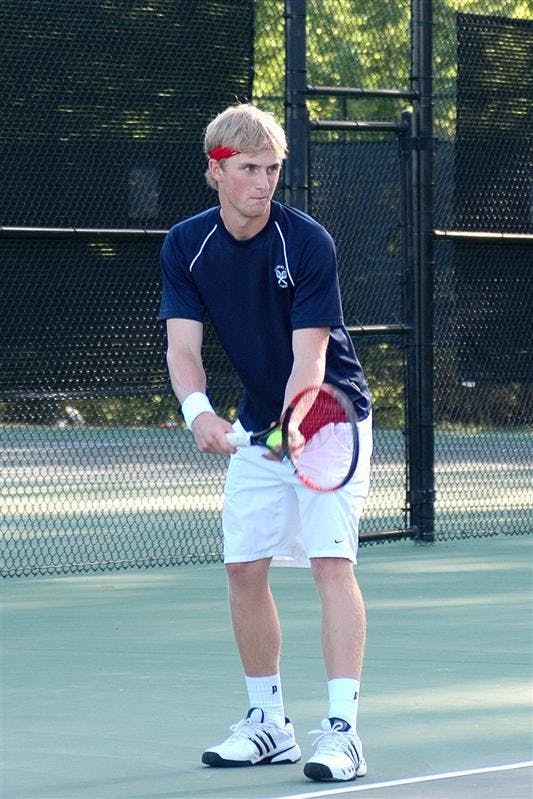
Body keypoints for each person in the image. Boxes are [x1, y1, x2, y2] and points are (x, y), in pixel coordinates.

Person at [159, 103, 373, 783]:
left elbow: (308, 359)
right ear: (216, 171)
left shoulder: (305, 241)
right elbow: (182, 347)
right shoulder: (186, 244)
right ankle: (267, 723)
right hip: (260, 421)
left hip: (328, 422)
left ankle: (342, 732)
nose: (264, 181)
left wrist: (292, 426)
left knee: (329, 566)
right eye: (249, 168)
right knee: (243, 569)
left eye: (273, 168)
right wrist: (199, 414)